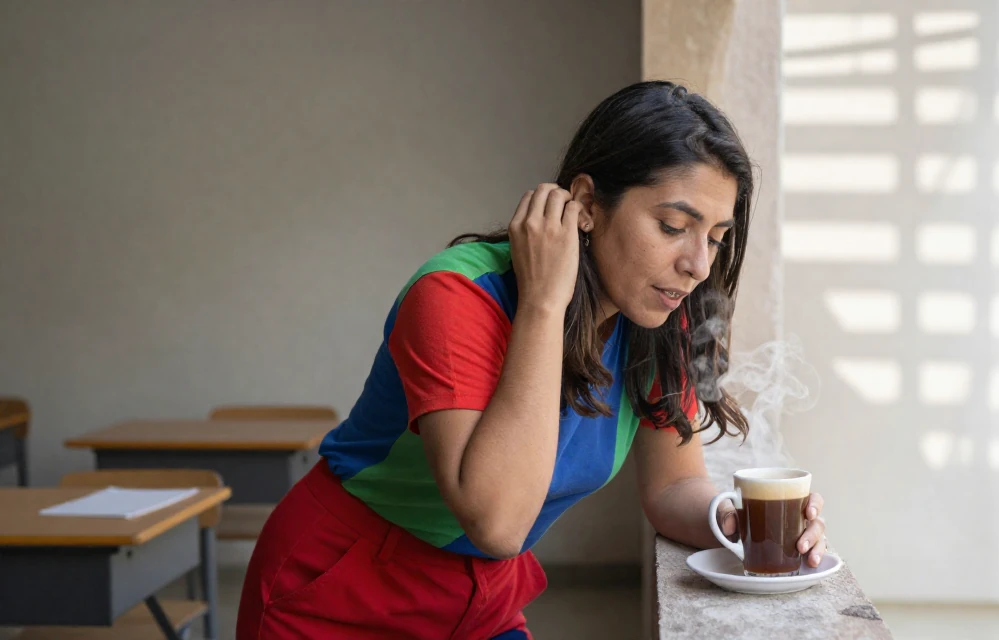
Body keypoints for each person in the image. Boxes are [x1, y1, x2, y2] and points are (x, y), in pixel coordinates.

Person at [236, 80, 828, 640]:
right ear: (588, 204)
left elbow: (673, 485)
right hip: (340, 593)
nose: (698, 264)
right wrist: (546, 303)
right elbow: (496, 522)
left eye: (717, 236)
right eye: (674, 226)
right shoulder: (455, 297)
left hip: (484, 601)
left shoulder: (656, 321)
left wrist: (731, 520)